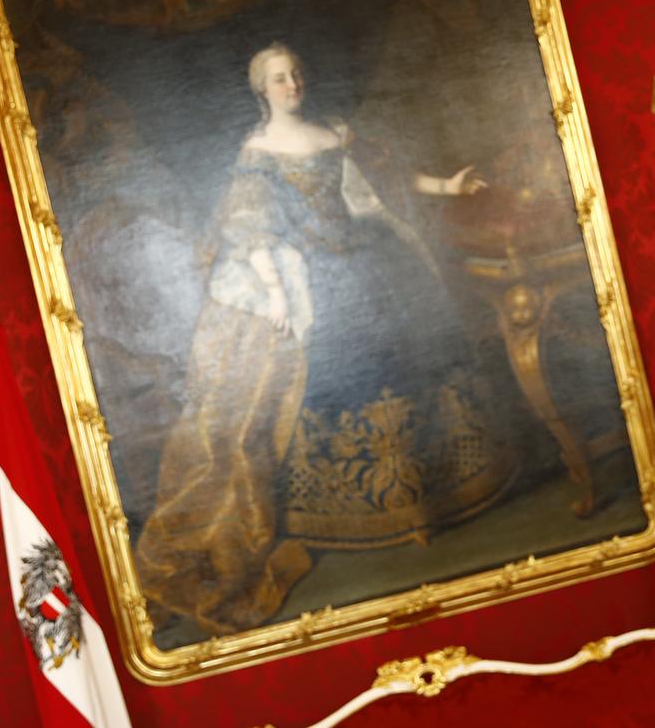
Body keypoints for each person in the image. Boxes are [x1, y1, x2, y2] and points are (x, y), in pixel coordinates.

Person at [134, 42, 505, 635]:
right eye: (279, 79)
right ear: (262, 91)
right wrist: (275, 293)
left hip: (370, 258)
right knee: (338, 367)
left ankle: (430, 492)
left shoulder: (334, 132)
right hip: (312, 275)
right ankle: (349, 508)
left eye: (296, 75)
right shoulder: (257, 152)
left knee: (413, 352)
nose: (292, 85)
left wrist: (448, 187)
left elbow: (381, 183)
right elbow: (250, 227)